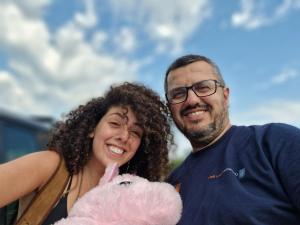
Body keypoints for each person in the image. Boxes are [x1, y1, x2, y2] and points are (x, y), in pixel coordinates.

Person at [0, 82, 173, 225]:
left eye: (135, 132)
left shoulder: (130, 200)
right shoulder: (49, 166)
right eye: (115, 123)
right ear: (92, 128)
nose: (124, 136)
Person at [165, 54, 300, 225]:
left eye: (203, 87)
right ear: (170, 108)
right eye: (178, 94)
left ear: (225, 95)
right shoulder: (170, 187)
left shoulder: (277, 142)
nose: (191, 100)